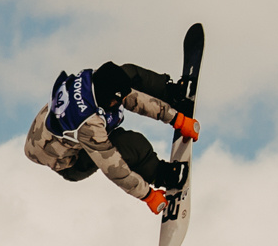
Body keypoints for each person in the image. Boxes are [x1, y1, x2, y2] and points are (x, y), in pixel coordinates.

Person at [24, 61, 199, 214]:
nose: (122, 101)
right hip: (71, 162)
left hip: (56, 128)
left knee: (128, 74)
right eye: (118, 100)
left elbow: (133, 98)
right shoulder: (88, 124)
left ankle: (172, 93)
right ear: (107, 99)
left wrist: (177, 119)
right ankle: (161, 174)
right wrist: (148, 195)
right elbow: (113, 167)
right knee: (127, 143)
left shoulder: (97, 81)